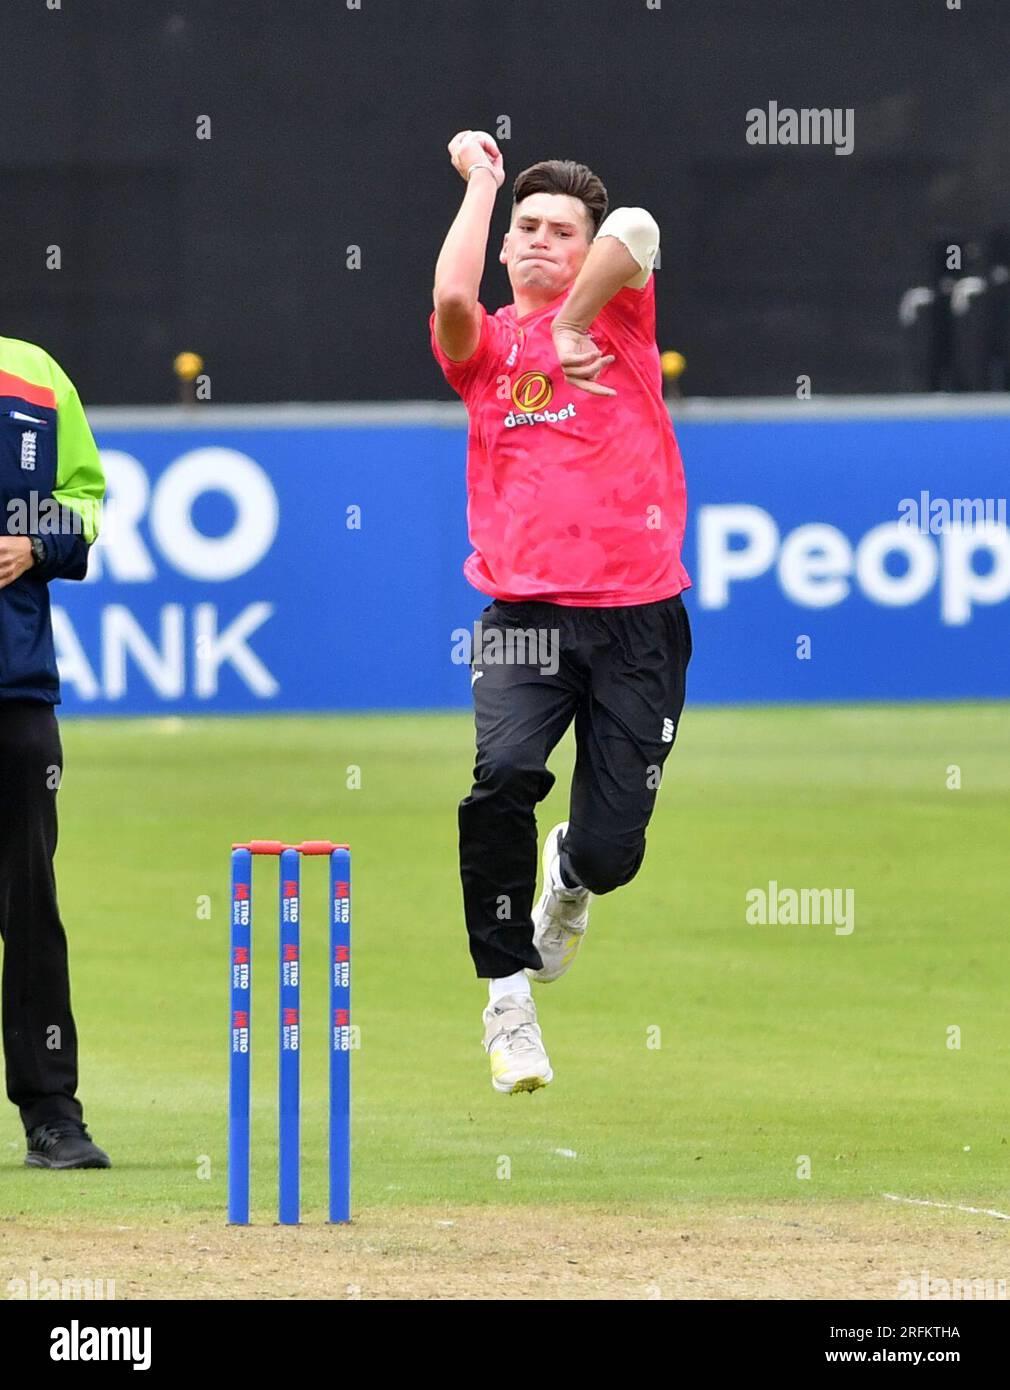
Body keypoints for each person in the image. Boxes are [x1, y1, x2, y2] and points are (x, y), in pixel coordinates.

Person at [430, 131, 692, 1093]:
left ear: (587, 258)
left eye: (558, 230)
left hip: (641, 619)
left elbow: (640, 224)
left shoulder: (619, 320)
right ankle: (507, 1000)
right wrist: (484, 184)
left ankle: (571, 878)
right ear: (505, 245)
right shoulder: (490, 350)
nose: (539, 240)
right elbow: (454, 302)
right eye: (525, 229)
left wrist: (579, 323)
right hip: (527, 614)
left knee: (614, 851)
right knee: (501, 776)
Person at [0, 335, 109, 1166]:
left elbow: (84, 501)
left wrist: (33, 542)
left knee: (29, 907)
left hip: (14, 690)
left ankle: (52, 1115)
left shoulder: (35, 374)